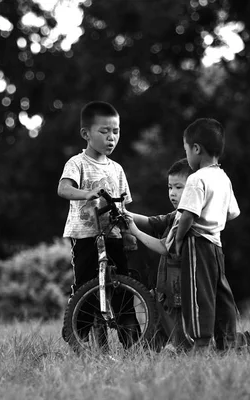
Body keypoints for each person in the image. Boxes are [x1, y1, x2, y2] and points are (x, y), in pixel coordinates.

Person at [58, 100, 139, 347]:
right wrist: (86, 193)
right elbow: (63, 188)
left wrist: (128, 233)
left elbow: (123, 206)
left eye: (115, 132)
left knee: (122, 289)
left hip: (113, 236)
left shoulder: (117, 169)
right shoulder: (77, 163)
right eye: (104, 132)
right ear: (86, 134)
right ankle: (79, 337)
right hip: (85, 237)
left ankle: (133, 344)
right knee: (86, 288)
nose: (111, 138)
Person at [166, 118, 244, 352]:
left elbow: (188, 215)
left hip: (196, 244)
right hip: (216, 246)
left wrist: (178, 239)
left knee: (198, 294)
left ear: (196, 148)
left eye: (186, 150)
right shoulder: (223, 178)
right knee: (220, 293)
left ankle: (200, 344)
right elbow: (232, 213)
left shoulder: (197, 178)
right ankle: (227, 341)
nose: (187, 155)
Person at [127, 158, 193, 351]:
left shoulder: (189, 219)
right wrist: (124, 213)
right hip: (165, 292)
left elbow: (164, 246)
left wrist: (135, 232)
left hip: (181, 292)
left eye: (179, 187)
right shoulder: (174, 216)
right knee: (154, 342)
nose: (173, 193)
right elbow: (151, 222)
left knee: (181, 341)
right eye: (170, 187)